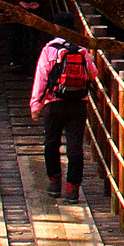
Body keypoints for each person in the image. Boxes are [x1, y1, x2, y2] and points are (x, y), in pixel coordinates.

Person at [31, 11, 91, 204]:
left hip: (53, 103)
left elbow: (41, 78)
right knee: (75, 147)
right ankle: (73, 188)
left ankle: (54, 182)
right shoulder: (81, 50)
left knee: (51, 142)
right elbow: (94, 73)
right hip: (78, 104)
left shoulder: (49, 50)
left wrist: (36, 105)